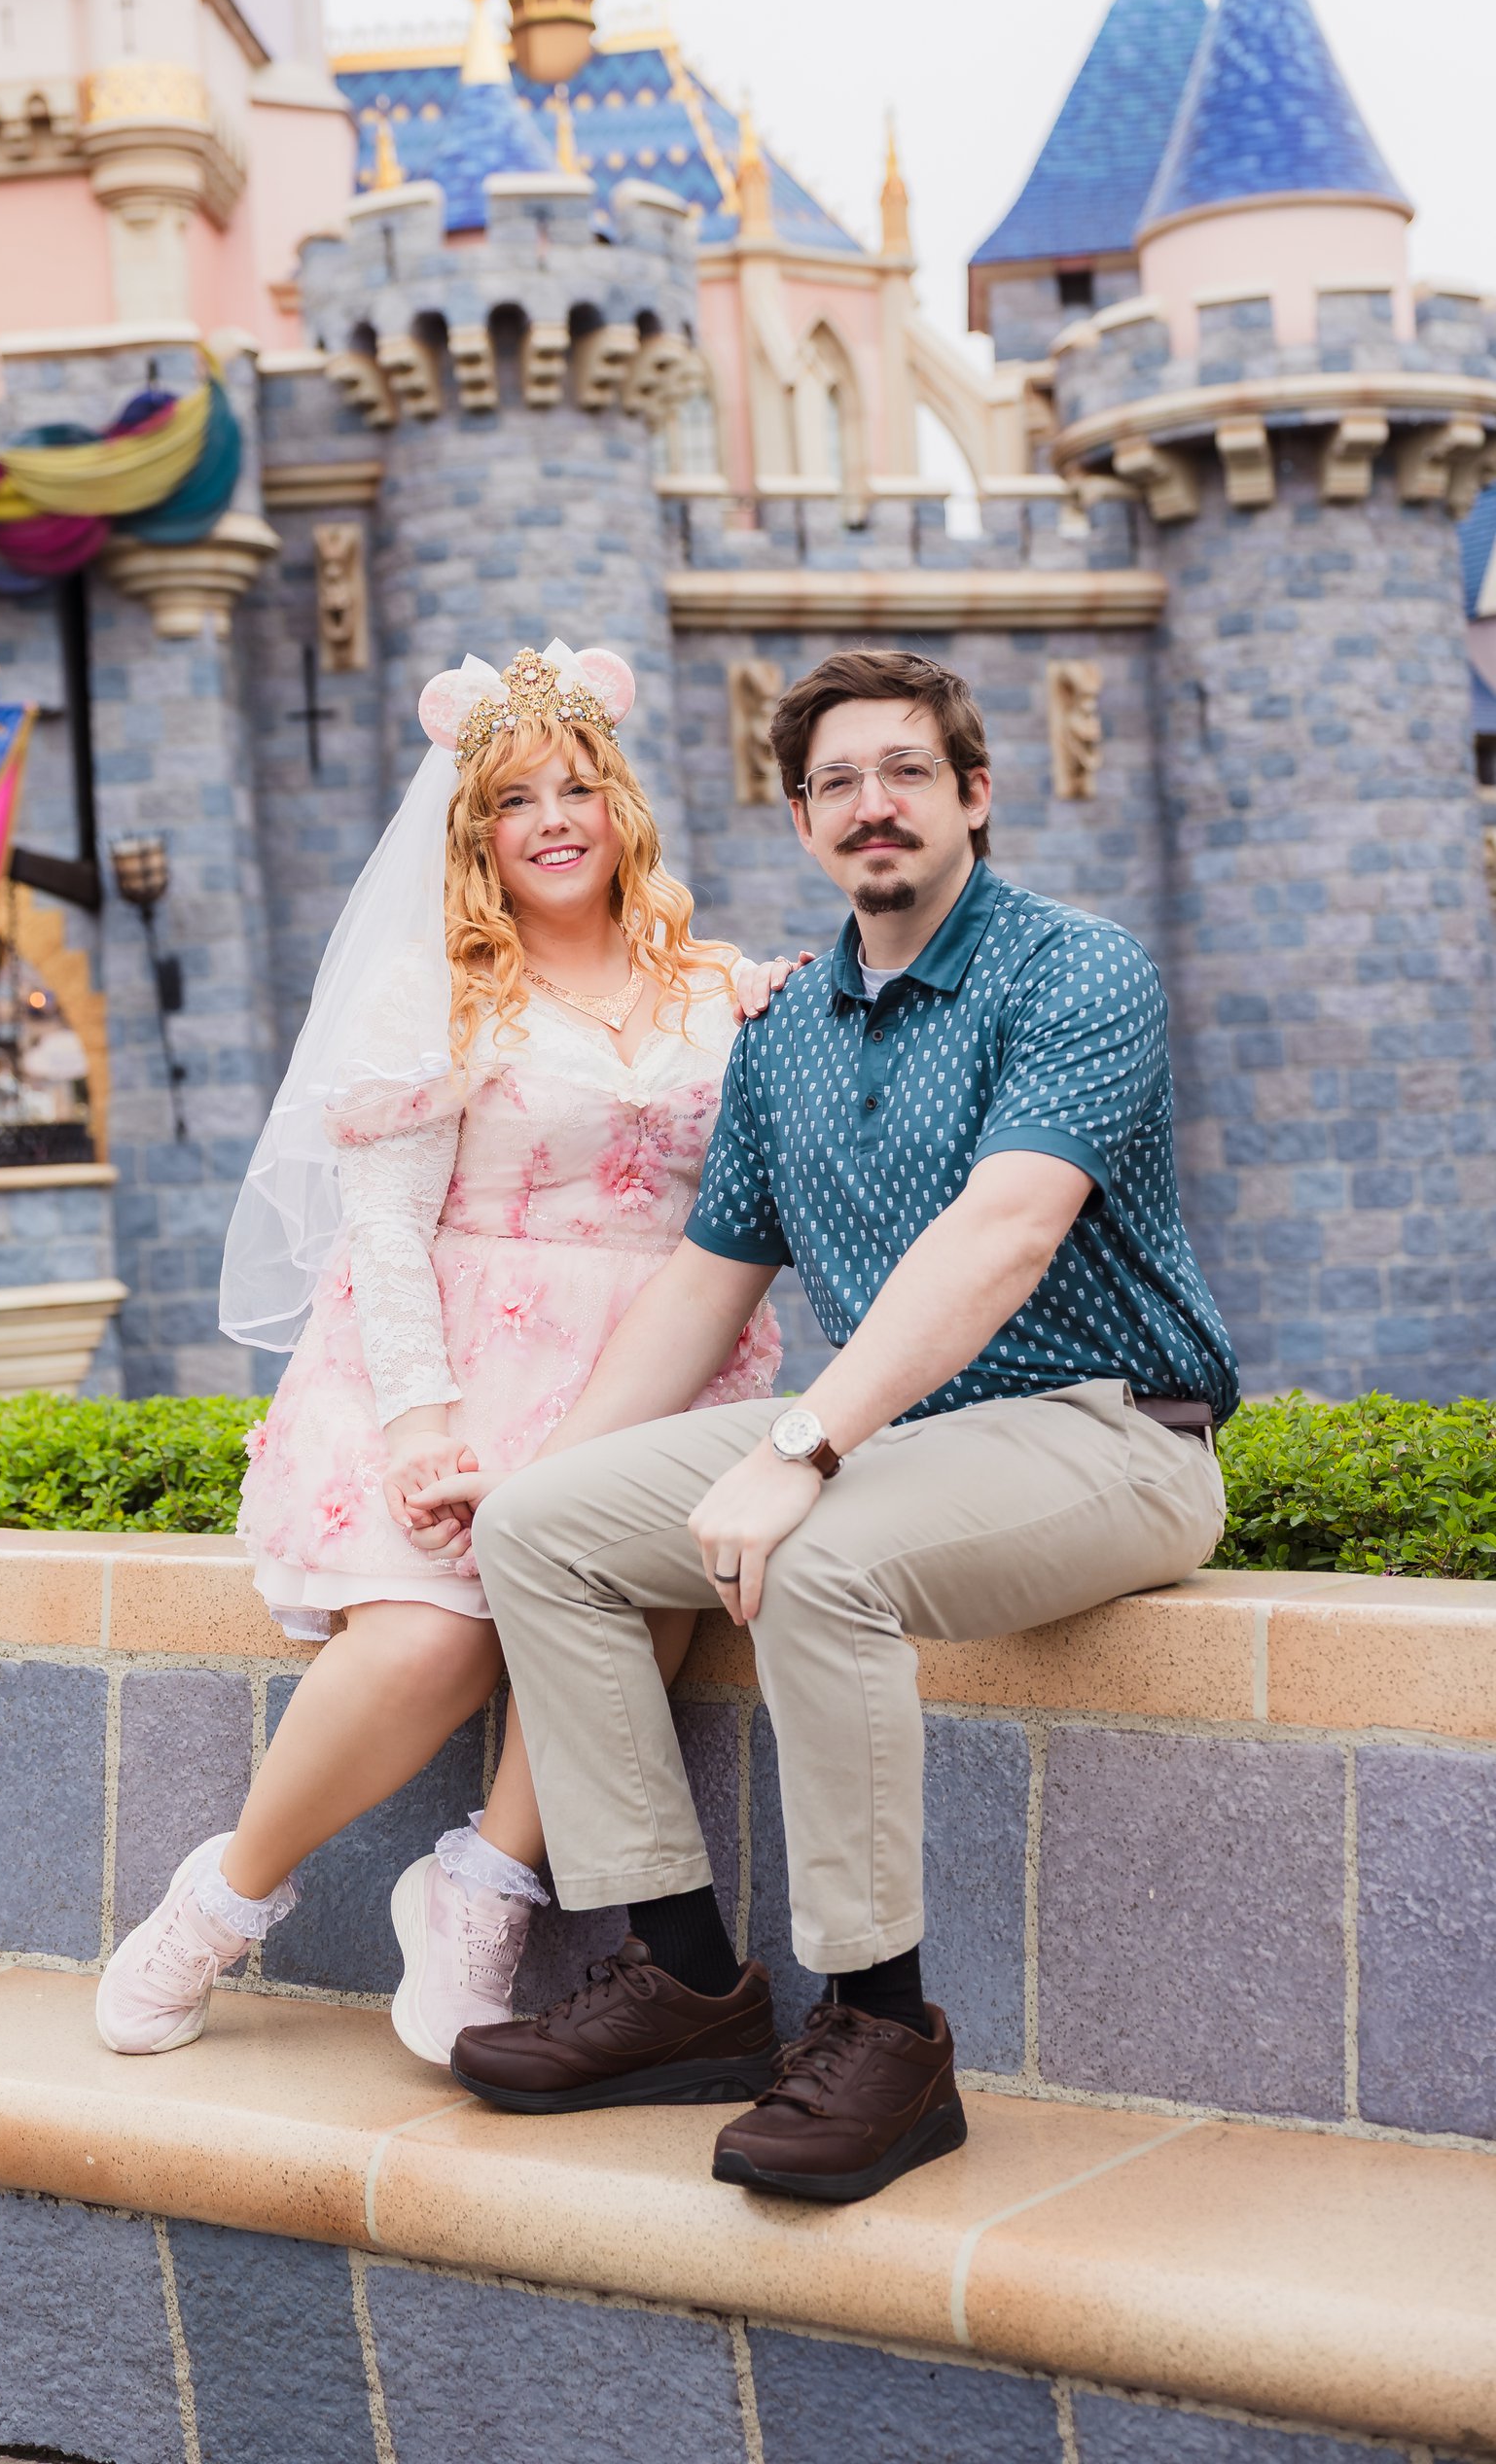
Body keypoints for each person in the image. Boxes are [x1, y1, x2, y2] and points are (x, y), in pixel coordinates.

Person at [419, 647, 1239, 2205]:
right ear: (801, 822)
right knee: (544, 1529)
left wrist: (797, 1450)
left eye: (908, 772)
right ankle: (685, 1987)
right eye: (838, 783)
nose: (875, 805)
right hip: (895, 1436)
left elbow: (1005, 1232)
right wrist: (545, 1469)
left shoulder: (1074, 971)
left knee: (818, 1559)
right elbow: (702, 1285)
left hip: (1109, 1431)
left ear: (973, 795)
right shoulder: (789, 1029)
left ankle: (884, 2031)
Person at [95, 640, 785, 2063]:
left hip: (654, 1362)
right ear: (474, 830)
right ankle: (219, 1902)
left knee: (633, 1598)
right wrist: (422, 1423)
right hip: (459, 1360)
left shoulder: (720, 986)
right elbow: (387, 1228)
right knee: (433, 1641)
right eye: (515, 799)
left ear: (620, 804)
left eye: (576, 788)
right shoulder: (438, 994)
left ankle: (482, 1889)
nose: (552, 820)